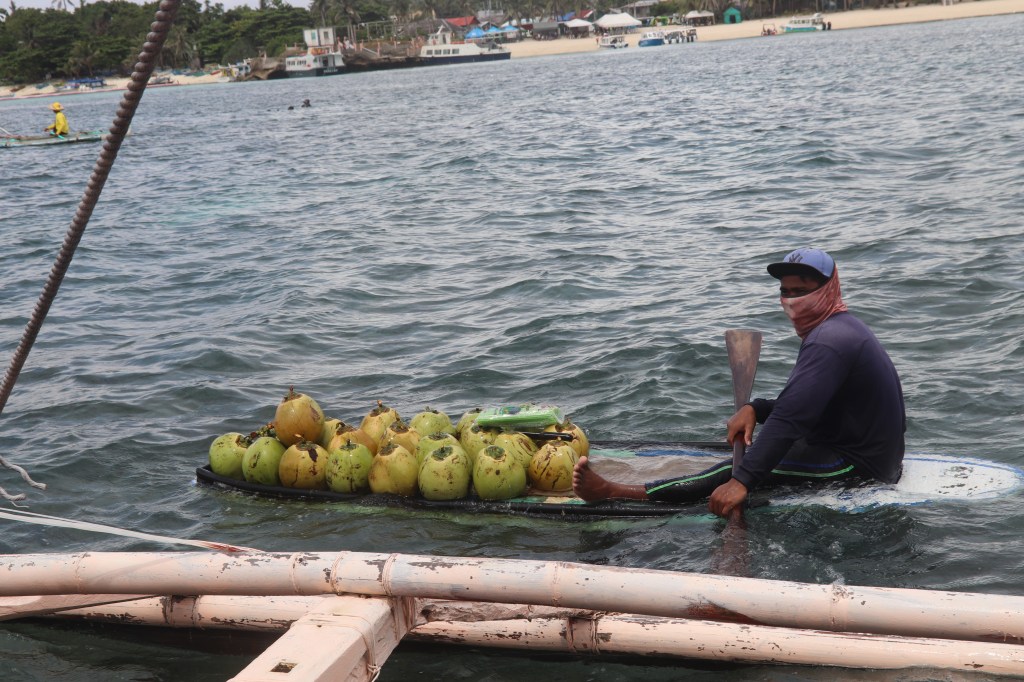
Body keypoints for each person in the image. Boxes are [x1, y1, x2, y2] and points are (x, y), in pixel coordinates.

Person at [572, 247, 906, 518]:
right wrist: (755, 409)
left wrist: (742, 481)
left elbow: (791, 419)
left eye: (802, 291)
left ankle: (614, 491)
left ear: (829, 288)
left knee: (729, 470)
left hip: (858, 465)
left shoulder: (827, 341)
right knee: (753, 457)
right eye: (785, 291)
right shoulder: (840, 328)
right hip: (859, 445)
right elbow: (808, 403)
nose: (792, 300)